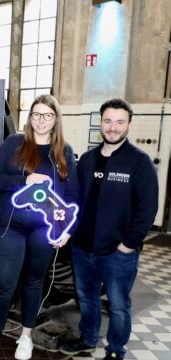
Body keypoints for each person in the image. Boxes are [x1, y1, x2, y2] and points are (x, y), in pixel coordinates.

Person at [0, 94, 79, 360]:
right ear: (30, 117)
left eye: (47, 115)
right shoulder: (13, 143)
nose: (41, 120)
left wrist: (66, 230)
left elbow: (72, 195)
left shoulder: (64, 151)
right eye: (36, 114)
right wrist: (25, 179)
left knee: (34, 282)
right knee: (5, 283)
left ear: (56, 119)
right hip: (10, 227)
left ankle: (26, 337)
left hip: (43, 230)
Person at [59, 98, 158, 360]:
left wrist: (128, 244)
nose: (113, 127)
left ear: (129, 125)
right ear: (100, 123)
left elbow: (147, 209)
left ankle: (115, 349)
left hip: (118, 252)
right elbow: (76, 200)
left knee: (119, 305)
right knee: (87, 299)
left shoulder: (139, 162)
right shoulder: (88, 159)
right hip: (83, 249)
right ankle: (88, 338)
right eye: (108, 121)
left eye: (119, 122)